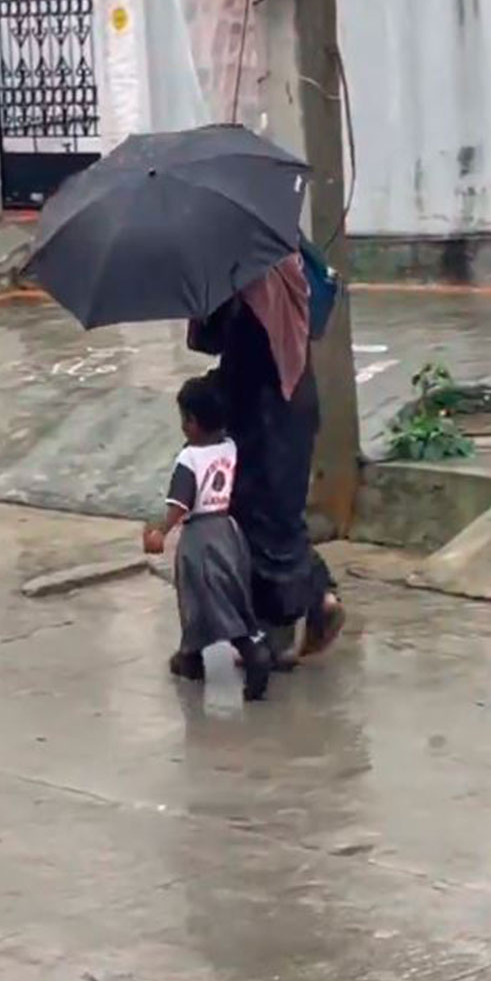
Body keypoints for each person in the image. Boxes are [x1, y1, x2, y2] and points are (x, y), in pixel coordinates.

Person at [188, 253, 345, 669]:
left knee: (257, 522)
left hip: (260, 409)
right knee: (280, 517)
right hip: (296, 399)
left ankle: (303, 610)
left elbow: (209, 338)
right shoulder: (284, 253)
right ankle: (312, 602)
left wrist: (202, 292)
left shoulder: (238, 266)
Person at [143, 375, 272, 701]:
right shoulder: (229, 447)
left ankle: (243, 651)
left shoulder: (188, 459)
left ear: (192, 422)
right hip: (228, 532)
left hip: (199, 539)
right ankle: (196, 654)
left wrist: (160, 531)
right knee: (232, 594)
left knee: (201, 598)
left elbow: (179, 504)